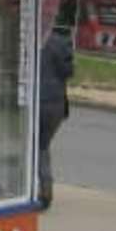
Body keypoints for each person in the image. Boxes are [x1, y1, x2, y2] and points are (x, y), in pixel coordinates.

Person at [37, 27, 74, 208]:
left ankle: (42, 190)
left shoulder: (27, 39)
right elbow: (68, 71)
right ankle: (44, 188)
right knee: (42, 146)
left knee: (36, 147)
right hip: (56, 103)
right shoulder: (60, 42)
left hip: (36, 102)